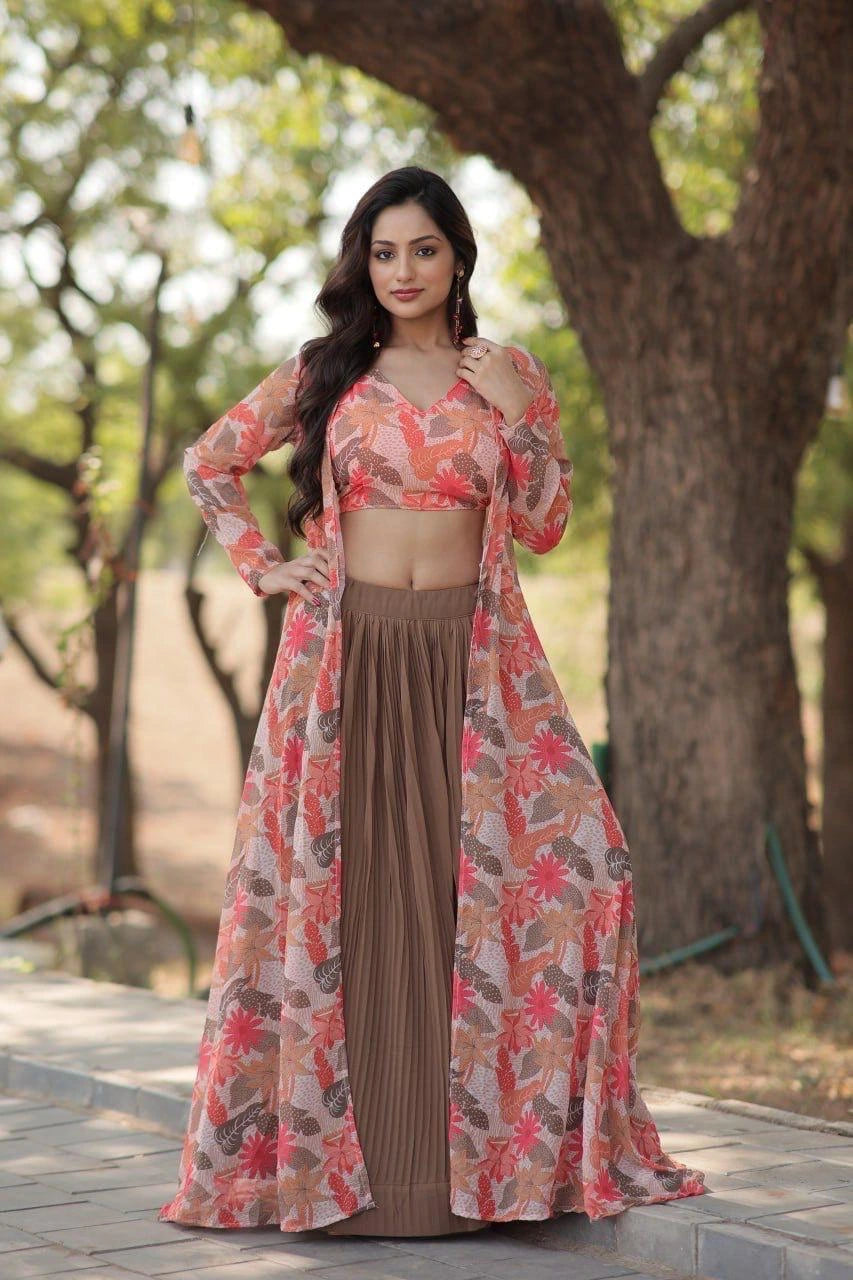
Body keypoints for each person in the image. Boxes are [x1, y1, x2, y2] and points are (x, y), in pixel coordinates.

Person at [158, 165, 707, 1238]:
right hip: (346, 657)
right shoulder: (326, 371)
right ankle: (368, 1184)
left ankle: (506, 1163)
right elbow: (209, 462)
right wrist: (263, 564)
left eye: (422, 248)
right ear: (364, 263)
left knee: (585, 867)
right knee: (357, 900)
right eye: (382, 251)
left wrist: (525, 419)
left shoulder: (504, 374)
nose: (401, 270)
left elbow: (545, 522)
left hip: (476, 660)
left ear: (458, 256)